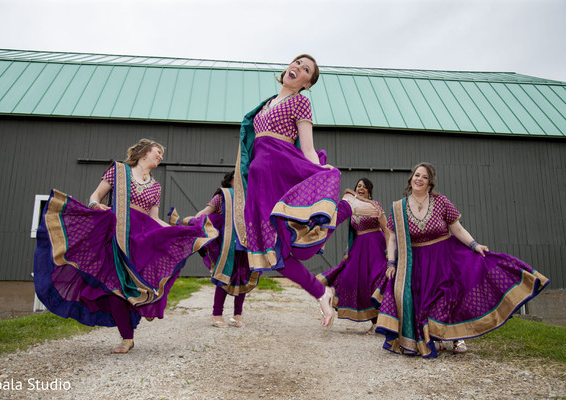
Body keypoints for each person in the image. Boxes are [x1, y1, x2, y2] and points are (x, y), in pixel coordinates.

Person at [233, 54, 378, 329]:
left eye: (305, 69)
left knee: (294, 235)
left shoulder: (301, 102)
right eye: (296, 63)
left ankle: (347, 206)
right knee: (272, 254)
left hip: (281, 173)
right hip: (258, 181)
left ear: (307, 83)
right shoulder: (264, 106)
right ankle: (322, 292)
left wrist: (324, 171)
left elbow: (308, 149)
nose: (297, 68)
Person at [34, 139, 217, 353]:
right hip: (115, 233)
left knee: (140, 283)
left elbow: (155, 218)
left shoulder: (156, 186)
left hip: (142, 238)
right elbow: (95, 196)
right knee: (114, 286)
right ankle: (127, 337)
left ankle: (142, 308)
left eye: (162, 154)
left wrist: (177, 231)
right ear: (143, 153)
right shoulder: (118, 172)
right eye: (158, 152)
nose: (161, 157)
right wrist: (95, 205)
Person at [375, 162, 549, 357]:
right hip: (417, 264)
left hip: (445, 258)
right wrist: (391, 262)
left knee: (449, 296)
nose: (419, 179)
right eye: (417, 175)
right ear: (411, 179)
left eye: (424, 177)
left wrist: (475, 245)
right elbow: (392, 239)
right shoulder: (398, 207)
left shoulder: (441, 202)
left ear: (430, 182)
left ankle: (457, 336)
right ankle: (435, 336)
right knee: (425, 303)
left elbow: (456, 228)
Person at [317, 178, 389, 334]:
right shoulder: (352, 209)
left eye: (364, 186)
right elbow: (351, 233)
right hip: (359, 249)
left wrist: (389, 250)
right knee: (353, 280)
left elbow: (386, 228)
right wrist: (346, 251)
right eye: (358, 186)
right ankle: (330, 297)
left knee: (375, 281)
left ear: (369, 190)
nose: (360, 188)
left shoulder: (374, 206)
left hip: (376, 246)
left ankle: (380, 322)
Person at [195, 171, 260, 328]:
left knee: (243, 277)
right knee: (224, 278)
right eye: (236, 179)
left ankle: (237, 315)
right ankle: (217, 314)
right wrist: (195, 223)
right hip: (226, 246)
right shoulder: (221, 197)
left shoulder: (250, 197)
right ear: (229, 181)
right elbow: (203, 214)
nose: (241, 182)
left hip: (245, 245)